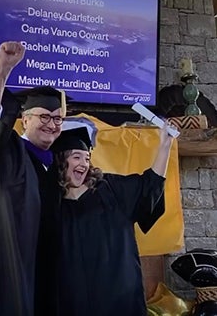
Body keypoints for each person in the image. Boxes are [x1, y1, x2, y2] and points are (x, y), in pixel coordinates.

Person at [0, 41, 67, 316]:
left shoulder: (55, 165)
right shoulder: (9, 155)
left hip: (46, 273)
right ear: (24, 120)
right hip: (13, 270)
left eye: (58, 119)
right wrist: (2, 71)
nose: (52, 124)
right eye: (44, 116)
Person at [50, 124, 174, 316]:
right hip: (71, 302)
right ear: (60, 160)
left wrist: (165, 146)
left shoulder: (110, 189)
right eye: (76, 157)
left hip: (118, 301)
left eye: (87, 158)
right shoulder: (49, 204)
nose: (84, 163)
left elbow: (149, 186)